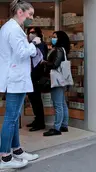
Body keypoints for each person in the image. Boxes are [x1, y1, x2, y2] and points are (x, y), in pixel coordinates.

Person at [0, 0, 40, 169]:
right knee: (11, 118)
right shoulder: (13, 30)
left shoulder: (13, 28)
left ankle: (16, 150)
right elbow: (22, 53)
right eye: (30, 14)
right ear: (20, 12)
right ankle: (5, 158)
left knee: (15, 117)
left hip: (16, 78)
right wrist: (34, 44)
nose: (32, 18)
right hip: (15, 79)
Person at [43, 31, 70, 137]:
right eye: (52, 37)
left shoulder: (58, 50)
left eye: (55, 37)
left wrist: (44, 62)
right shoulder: (63, 49)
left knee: (57, 104)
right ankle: (64, 125)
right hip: (62, 80)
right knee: (62, 103)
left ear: (60, 38)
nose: (52, 38)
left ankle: (56, 128)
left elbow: (55, 64)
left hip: (57, 80)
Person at [26, 27, 48, 132]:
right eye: (29, 33)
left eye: (33, 32)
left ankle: (40, 122)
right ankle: (36, 119)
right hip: (29, 75)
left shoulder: (41, 44)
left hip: (37, 76)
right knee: (32, 99)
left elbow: (42, 58)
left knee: (37, 99)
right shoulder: (29, 44)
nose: (31, 34)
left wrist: (36, 44)